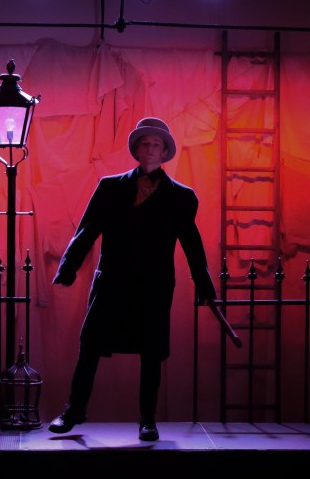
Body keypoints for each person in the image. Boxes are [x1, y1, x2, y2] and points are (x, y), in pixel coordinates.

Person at [48, 117, 217, 441]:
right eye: (145, 144)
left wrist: (204, 283)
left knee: (151, 350)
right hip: (112, 280)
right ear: (137, 150)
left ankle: (147, 419)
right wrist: (68, 267)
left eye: (156, 144)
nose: (150, 149)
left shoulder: (181, 197)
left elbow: (191, 243)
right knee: (91, 342)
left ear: (164, 152)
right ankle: (74, 409)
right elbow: (88, 229)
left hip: (153, 285)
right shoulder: (110, 188)